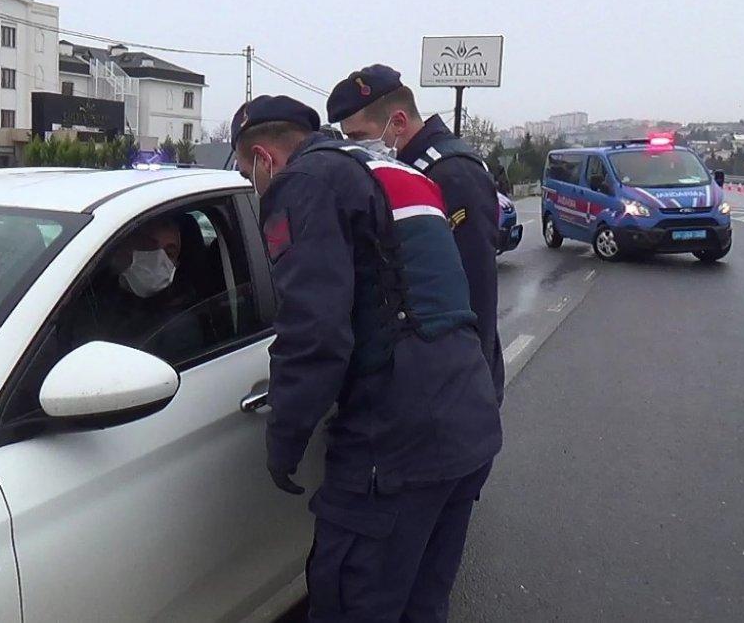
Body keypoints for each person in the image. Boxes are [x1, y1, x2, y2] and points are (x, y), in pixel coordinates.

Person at [233, 95, 501, 622]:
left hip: (396, 440)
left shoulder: (304, 183)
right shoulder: (400, 172)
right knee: (421, 604)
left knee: (353, 602)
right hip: (468, 417)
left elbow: (315, 333)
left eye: (248, 174)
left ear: (264, 157)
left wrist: (285, 440)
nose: (254, 185)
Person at [327, 64, 506, 405]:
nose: (354, 148)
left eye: (359, 137)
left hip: (457, 383)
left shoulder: (451, 173)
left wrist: (471, 387)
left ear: (397, 122)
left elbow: (476, 288)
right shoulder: (404, 169)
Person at [81, 216, 204, 361]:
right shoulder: (89, 296)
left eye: (169, 253)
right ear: (124, 250)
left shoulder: (179, 326)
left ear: (177, 263)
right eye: (151, 248)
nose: (160, 259)